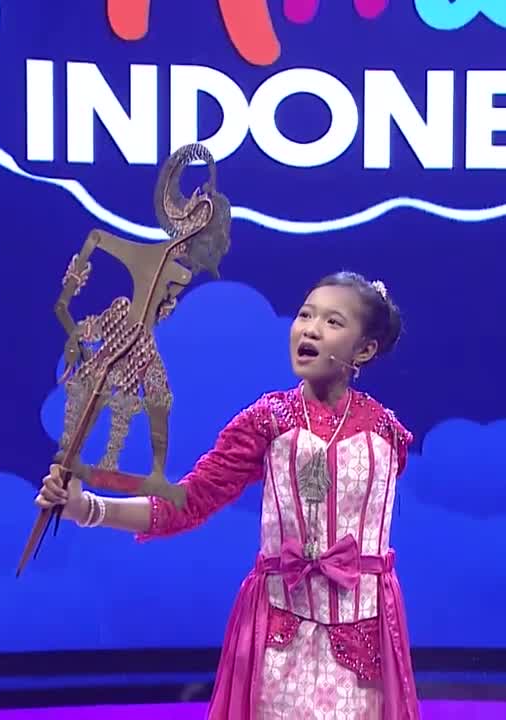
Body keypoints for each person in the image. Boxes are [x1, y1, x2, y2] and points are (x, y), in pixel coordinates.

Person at [36, 271, 420, 720]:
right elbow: (185, 504)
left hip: (364, 637)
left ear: (365, 349)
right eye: (304, 315)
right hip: (281, 630)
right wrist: (87, 508)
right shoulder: (267, 421)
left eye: (332, 322)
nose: (310, 329)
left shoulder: (387, 434)